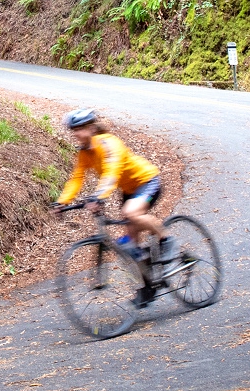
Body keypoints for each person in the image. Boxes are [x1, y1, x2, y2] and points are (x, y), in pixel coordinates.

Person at [57, 110, 173, 305]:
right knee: (130, 245)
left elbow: (112, 172)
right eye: (73, 130)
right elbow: (77, 177)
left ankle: (166, 240)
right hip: (129, 190)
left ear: (91, 128)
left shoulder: (109, 143)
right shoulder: (84, 152)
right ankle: (148, 287)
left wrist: (99, 196)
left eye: (80, 128)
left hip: (147, 180)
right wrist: (62, 201)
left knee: (130, 213)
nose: (76, 133)